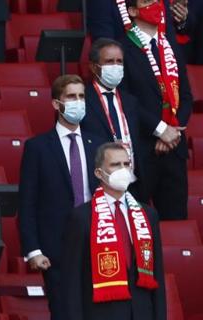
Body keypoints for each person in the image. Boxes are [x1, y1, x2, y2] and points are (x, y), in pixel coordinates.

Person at [63, 142, 166, 320]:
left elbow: (157, 272)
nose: (123, 169)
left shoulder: (147, 215)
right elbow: (71, 281)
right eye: (115, 164)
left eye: (126, 164)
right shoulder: (81, 217)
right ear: (99, 173)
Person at [18, 74, 102, 320]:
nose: (78, 102)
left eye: (82, 96)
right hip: (57, 250)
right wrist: (33, 250)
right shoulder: (38, 147)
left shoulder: (98, 144)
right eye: (71, 97)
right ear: (56, 103)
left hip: (98, 246)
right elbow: (27, 203)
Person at [119, 0, 193, 220]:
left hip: (174, 149)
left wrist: (173, 131)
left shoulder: (170, 47)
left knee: (176, 222)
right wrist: (160, 130)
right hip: (143, 150)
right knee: (139, 225)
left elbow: (186, 96)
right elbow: (126, 100)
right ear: (132, 11)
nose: (154, 5)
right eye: (146, 1)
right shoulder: (123, 49)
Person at [81, 38, 147, 202]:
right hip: (99, 184)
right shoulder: (83, 100)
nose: (116, 66)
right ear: (94, 66)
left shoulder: (130, 101)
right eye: (110, 61)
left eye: (119, 62)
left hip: (132, 184)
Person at [87, 0, 185, 41]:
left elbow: (171, 37)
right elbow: (104, 41)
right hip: (127, 65)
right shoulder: (100, 2)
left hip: (165, 59)